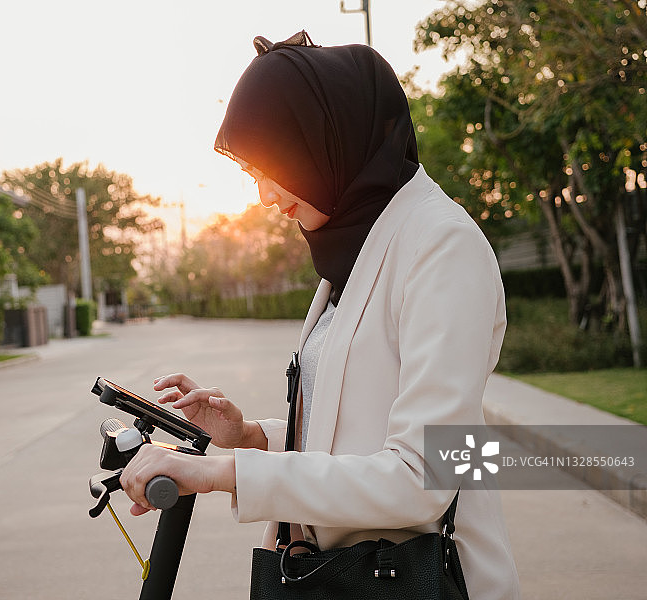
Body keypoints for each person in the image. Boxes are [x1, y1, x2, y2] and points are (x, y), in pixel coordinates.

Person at [120, 31, 520, 599]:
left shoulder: (442, 245)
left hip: (420, 577)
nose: (263, 194)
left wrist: (217, 473)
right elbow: (360, 432)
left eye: (272, 165)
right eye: (251, 173)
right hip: (338, 573)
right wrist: (251, 437)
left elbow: (425, 475)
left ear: (323, 142)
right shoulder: (355, 249)